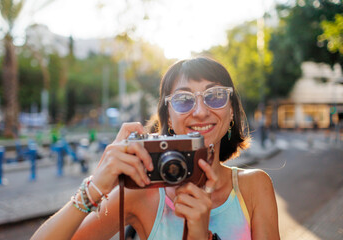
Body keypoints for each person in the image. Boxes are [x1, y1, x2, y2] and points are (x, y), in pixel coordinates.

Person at [32, 57, 279, 240]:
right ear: (169, 118)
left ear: (231, 110)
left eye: (215, 96)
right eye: (183, 100)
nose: (201, 111)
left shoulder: (254, 187)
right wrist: (94, 188)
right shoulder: (141, 191)